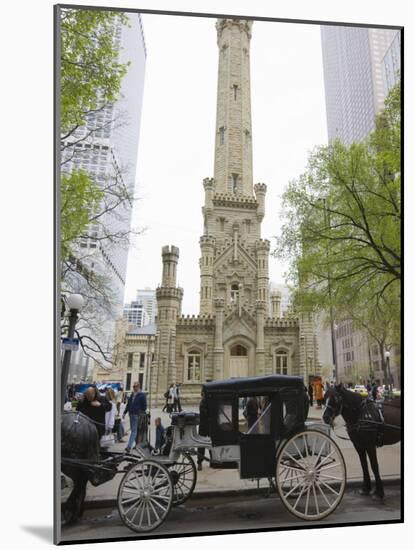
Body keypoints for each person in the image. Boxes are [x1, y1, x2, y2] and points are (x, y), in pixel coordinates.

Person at [122, 382, 147, 453]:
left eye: (135, 386)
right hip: (131, 414)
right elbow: (128, 404)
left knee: (134, 431)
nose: (134, 388)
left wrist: (140, 412)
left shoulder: (142, 395)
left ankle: (129, 446)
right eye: (133, 386)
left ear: (138, 387)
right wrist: (124, 412)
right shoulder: (132, 394)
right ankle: (137, 445)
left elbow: (144, 406)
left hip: (137, 415)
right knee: (135, 430)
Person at [197, 390, 210, 471]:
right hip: (204, 426)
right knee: (202, 445)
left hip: (207, 426)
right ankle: (199, 462)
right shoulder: (203, 403)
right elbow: (206, 413)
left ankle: (213, 460)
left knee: (211, 443)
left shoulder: (206, 402)